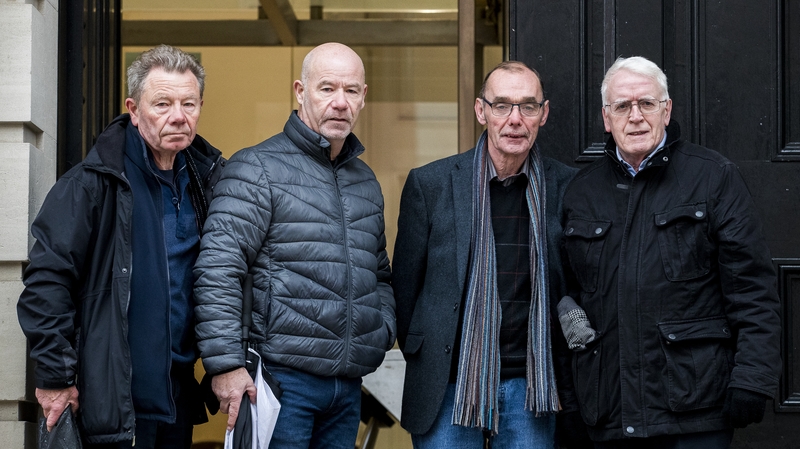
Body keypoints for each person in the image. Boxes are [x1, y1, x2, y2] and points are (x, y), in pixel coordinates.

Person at [560, 56, 782, 448]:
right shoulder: (581, 191)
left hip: (695, 408)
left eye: (646, 103)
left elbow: (753, 290)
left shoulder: (713, 177)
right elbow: (567, 297)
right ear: (606, 118)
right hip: (609, 411)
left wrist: (753, 379)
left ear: (667, 110)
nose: (636, 116)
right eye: (622, 106)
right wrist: (570, 397)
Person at [17, 45, 225, 448]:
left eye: (189, 103)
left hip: (177, 398)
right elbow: (46, 283)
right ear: (133, 108)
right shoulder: (91, 184)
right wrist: (55, 378)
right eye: (162, 104)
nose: (178, 116)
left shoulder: (209, 181)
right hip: (112, 399)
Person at [193, 42, 395, 449]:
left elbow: (380, 276)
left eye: (351, 91)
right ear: (300, 92)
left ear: (363, 97)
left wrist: (380, 332)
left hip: (347, 388)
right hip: (280, 384)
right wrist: (226, 364)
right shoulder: (256, 167)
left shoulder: (365, 181)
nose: (340, 102)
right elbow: (218, 270)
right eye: (327, 89)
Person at [392, 61, 581, 448]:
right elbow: (405, 291)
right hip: (448, 385)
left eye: (528, 106)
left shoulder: (568, 188)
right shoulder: (430, 185)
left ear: (543, 114)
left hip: (533, 390)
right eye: (502, 106)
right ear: (481, 111)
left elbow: (576, 281)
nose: (515, 119)